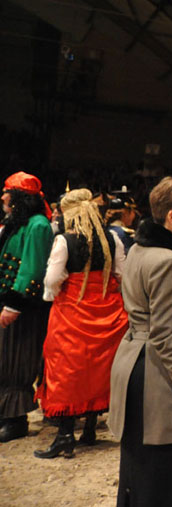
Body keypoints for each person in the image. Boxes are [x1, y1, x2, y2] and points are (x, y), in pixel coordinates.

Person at [109, 177, 172, 506]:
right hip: (159, 377)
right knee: (164, 477)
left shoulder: (140, 248)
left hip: (134, 364)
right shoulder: (168, 261)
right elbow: (167, 338)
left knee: (138, 473)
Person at [34, 189, 128, 459]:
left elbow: (52, 279)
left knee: (67, 371)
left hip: (72, 313)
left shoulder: (65, 240)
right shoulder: (111, 238)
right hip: (107, 311)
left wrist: (52, 296)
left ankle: (65, 435)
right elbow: (122, 274)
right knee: (98, 369)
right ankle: (89, 428)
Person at [0, 172, 54, 443]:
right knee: (3, 358)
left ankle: (16, 419)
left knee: (16, 361)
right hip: (8, 300)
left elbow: (31, 268)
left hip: (24, 307)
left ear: (19, 198)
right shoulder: (17, 223)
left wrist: (14, 304)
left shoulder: (37, 225)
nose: (2, 197)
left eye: (6, 192)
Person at [105, 190, 138, 254]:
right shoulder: (126, 234)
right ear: (125, 213)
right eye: (133, 212)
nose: (134, 215)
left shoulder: (105, 230)